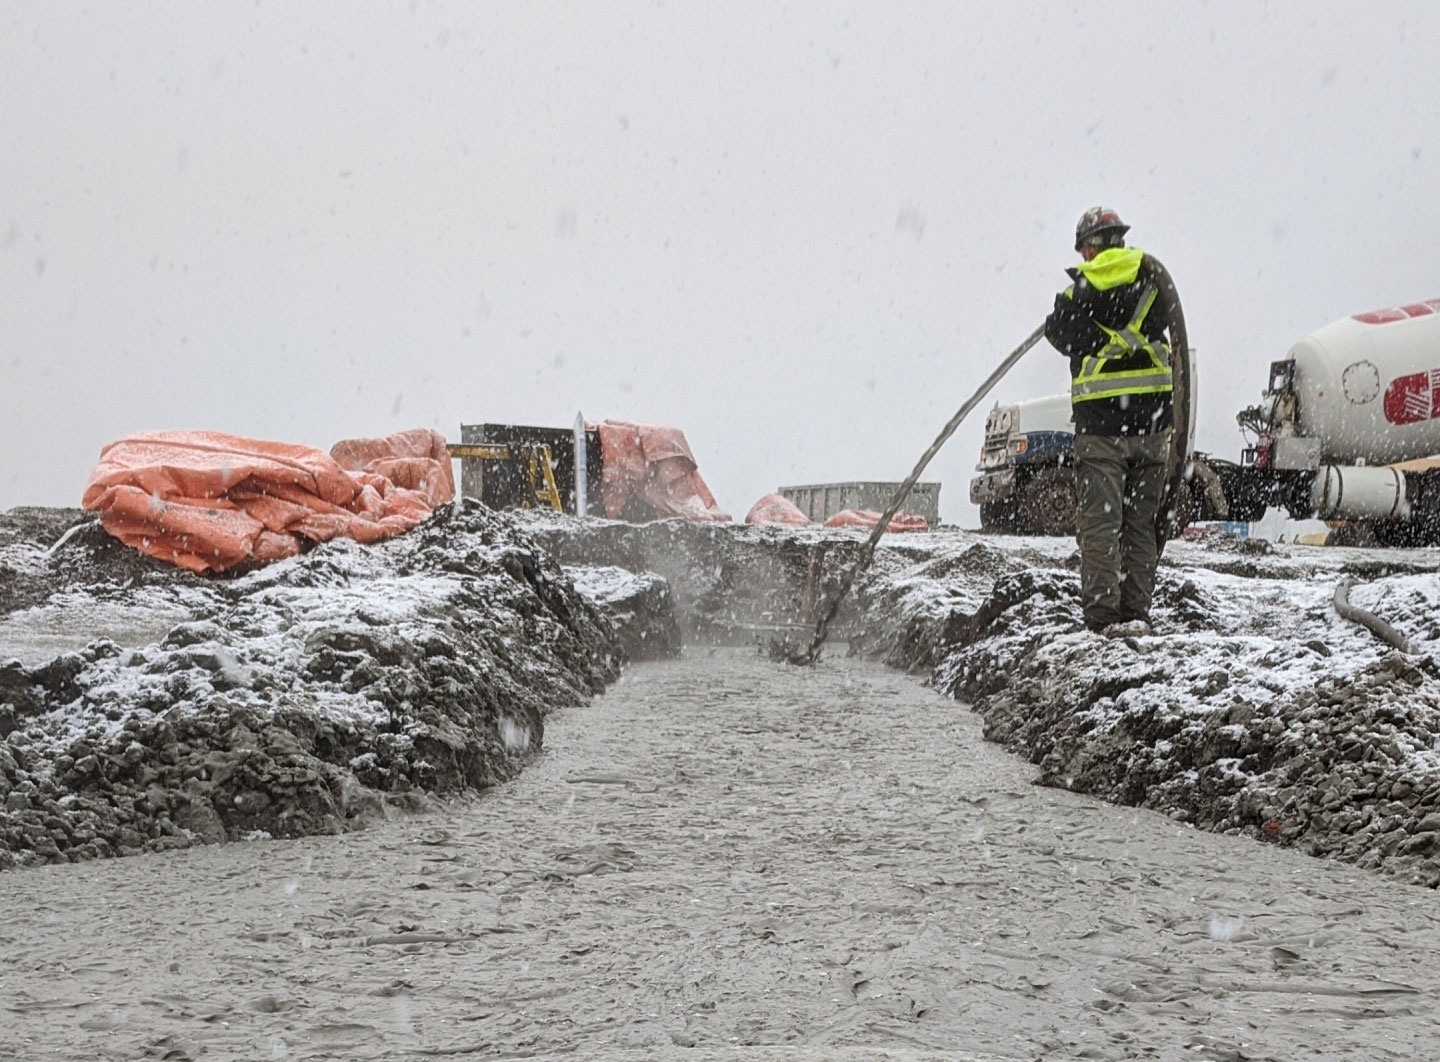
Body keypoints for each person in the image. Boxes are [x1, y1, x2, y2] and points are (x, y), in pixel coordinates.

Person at [1044, 207, 1178, 637]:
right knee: (1141, 525)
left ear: (1087, 246)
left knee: (1101, 527)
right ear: (1118, 239)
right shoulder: (1155, 283)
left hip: (1102, 430)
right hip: (1154, 428)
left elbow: (1057, 334)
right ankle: (1136, 612)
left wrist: (1093, 330)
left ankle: (1103, 617)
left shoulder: (1078, 293)